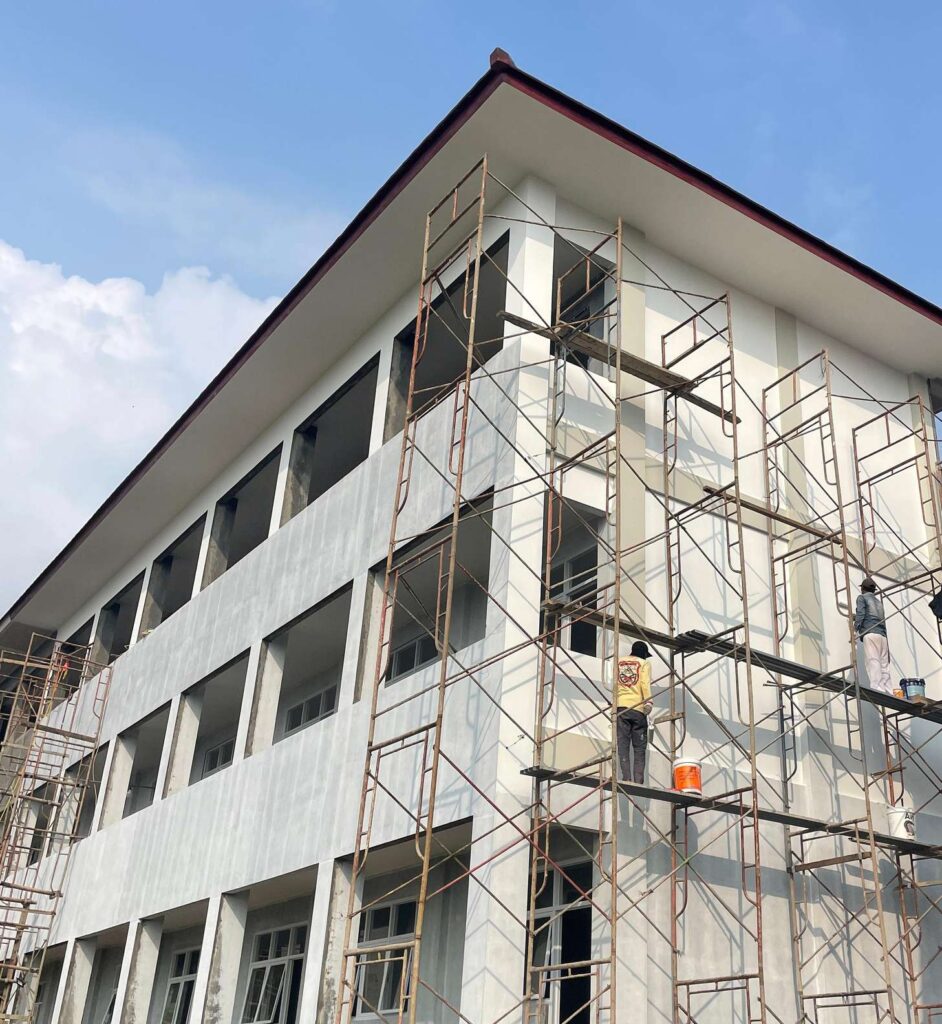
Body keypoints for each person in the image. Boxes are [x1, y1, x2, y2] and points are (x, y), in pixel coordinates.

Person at [615, 640, 653, 784]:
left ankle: (626, 777)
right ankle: (638, 781)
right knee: (639, 747)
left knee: (623, 744)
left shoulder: (618, 662)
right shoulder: (644, 663)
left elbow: (614, 683)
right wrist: (648, 702)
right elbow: (644, 683)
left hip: (621, 708)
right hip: (637, 709)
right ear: (643, 653)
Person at [855, 576, 893, 695]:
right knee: (884, 664)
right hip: (882, 636)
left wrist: (855, 628)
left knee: (873, 661)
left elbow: (860, 613)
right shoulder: (879, 602)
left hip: (870, 633)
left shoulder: (862, 598)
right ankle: (888, 690)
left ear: (863, 589)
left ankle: (877, 689)